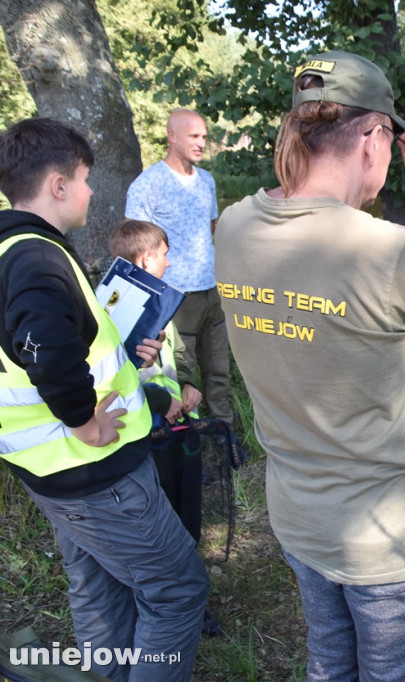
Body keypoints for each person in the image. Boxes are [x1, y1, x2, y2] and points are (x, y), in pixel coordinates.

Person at [215, 50, 405, 681]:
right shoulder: (392, 252)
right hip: (395, 545)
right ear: (375, 138)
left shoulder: (234, 226)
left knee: (331, 667)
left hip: (299, 520)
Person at [0, 117, 208, 681]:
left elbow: (44, 345)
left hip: (49, 473)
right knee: (177, 592)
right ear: (58, 185)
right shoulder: (36, 257)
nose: (92, 192)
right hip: (99, 474)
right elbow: (45, 345)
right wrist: (84, 420)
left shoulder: (8, 248)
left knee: (96, 588)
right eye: (86, 179)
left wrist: (125, 361)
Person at [108, 218, 224, 638]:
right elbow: (117, 378)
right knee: (162, 528)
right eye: (163, 254)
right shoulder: (118, 308)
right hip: (147, 440)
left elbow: (177, 353)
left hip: (180, 433)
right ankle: (167, 608)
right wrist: (163, 401)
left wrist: (189, 386)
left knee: (188, 512)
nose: (170, 261)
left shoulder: (162, 302)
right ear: (144, 258)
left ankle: (197, 604)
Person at [125, 108, 233, 427]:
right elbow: (134, 245)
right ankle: (188, 441)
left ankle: (224, 437)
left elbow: (211, 229)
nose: (201, 143)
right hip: (173, 297)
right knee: (182, 376)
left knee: (218, 370)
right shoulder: (148, 185)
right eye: (194, 136)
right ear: (172, 136)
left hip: (212, 290)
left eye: (203, 137)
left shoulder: (207, 181)